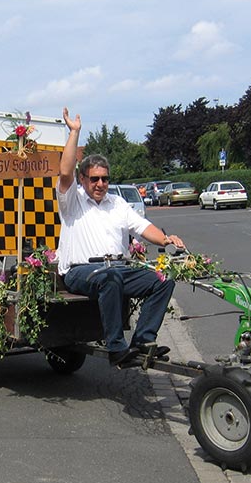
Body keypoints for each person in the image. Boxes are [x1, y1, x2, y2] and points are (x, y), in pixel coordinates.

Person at [56, 108, 185, 368]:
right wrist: (74, 132)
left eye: (105, 178)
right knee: (110, 278)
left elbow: (142, 227)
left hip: (116, 269)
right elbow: (65, 172)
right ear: (83, 179)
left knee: (164, 278)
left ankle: (142, 341)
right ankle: (116, 348)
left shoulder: (117, 203)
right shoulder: (73, 200)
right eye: (94, 179)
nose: (100, 183)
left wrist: (166, 239)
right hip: (81, 271)